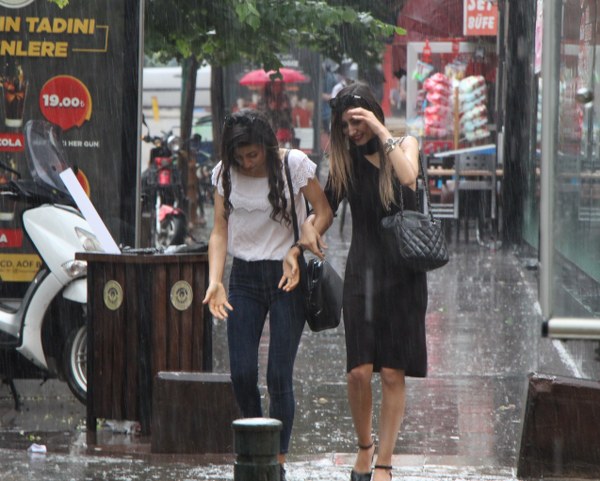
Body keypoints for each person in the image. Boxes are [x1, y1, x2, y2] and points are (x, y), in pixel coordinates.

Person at [202, 109, 332, 480]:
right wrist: (216, 279)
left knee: (278, 375)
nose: (247, 162)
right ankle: (254, 445)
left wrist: (299, 248)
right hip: (243, 277)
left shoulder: (293, 165)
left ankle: (276, 461)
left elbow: (323, 212)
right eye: (240, 157)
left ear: (266, 146)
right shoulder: (225, 174)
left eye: (253, 155)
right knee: (242, 373)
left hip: (286, 275)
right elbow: (219, 231)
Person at [323, 82, 427, 481]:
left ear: (372, 113)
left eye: (358, 121)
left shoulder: (406, 144)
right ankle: (364, 446)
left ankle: (384, 460)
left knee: (392, 373)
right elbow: (325, 210)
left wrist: (382, 133)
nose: (352, 131)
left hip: (403, 274)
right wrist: (308, 235)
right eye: (346, 124)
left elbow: (408, 178)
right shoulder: (344, 162)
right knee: (359, 372)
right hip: (362, 273)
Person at [259, 81, 296, 146]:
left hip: (283, 132)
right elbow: (261, 115)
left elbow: (289, 117)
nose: (277, 88)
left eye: (279, 85)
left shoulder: (284, 97)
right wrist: (270, 110)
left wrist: (285, 109)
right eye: (274, 85)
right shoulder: (265, 99)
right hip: (269, 131)